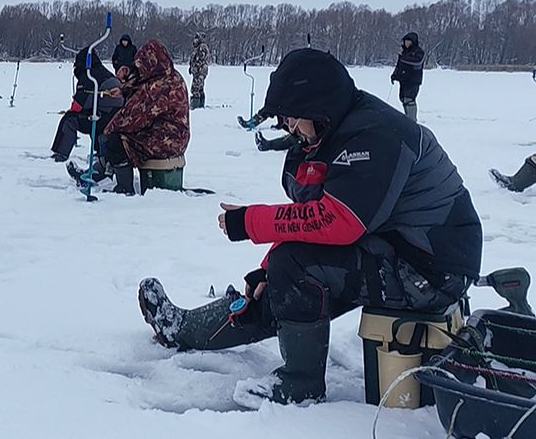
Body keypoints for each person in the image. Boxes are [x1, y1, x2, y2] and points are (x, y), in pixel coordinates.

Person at [138, 48, 482, 409]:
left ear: (318, 107)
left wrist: (252, 222)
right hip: (400, 250)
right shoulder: (341, 129)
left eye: (290, 117)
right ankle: (186, 329)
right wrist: (266, 269)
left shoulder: (376, 136)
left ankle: (301, 385)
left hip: (431, 271)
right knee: (282, 277)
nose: (287, 127)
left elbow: (339, 221)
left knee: (296, 267)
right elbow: (314, 219)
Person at [70, 40, 189, 194]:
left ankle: (124, 188)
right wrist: (123, 89)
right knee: (116, 137)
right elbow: (142, 83)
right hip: (173, 135)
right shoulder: (169, 75)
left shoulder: (158, 88)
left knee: (115, 140)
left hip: (165, 141)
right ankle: (92, 174)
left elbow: (131, 117)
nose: (140, 69)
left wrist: (108, 131)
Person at [50, 47, 123, 162]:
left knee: (69, 119)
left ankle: (61, 153)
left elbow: (78, 105)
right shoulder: (106, 73)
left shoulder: (89, 77)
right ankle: (101, 152)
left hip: (102, 118)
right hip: (117, 117)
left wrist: (70, 111)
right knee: (94, 115)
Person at [390, 32, 424, 121]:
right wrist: (395, 75)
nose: (406, 43)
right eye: (405, 41)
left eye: (409, 41)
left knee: (409, 100)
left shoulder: (419, 52)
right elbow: (399, 66)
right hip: (404, 80)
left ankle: (412, 120)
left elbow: (417, 62)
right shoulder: (404, 53)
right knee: (403, 99)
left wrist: (403, 59)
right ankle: (408, 118)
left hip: (413, 81)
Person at [188, 32, 210, 109]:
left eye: (197, 38)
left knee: (196, 88)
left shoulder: (202, 47)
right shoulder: (197, 48)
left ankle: (196, 105)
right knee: (199, 87)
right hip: (198, 71)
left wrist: (196, 68)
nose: (195, 40)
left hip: (200, 71)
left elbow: (201, 59)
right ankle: (199, 105)